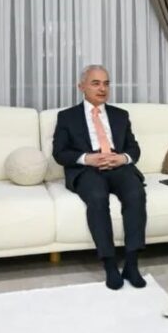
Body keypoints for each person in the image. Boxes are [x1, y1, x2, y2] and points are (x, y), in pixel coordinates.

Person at [52, 65, 147, 290]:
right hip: (87, 169)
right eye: (95, 83)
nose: (102, 89)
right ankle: (110, 265)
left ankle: (132, 264)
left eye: (106, 83)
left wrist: (122, 158)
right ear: (81, 87)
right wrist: (87, 158)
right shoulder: (67, 117)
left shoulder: (120, 115)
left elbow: (134, 148)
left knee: (136, 193)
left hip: (117, 165)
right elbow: (59, 153)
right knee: (97, 197)